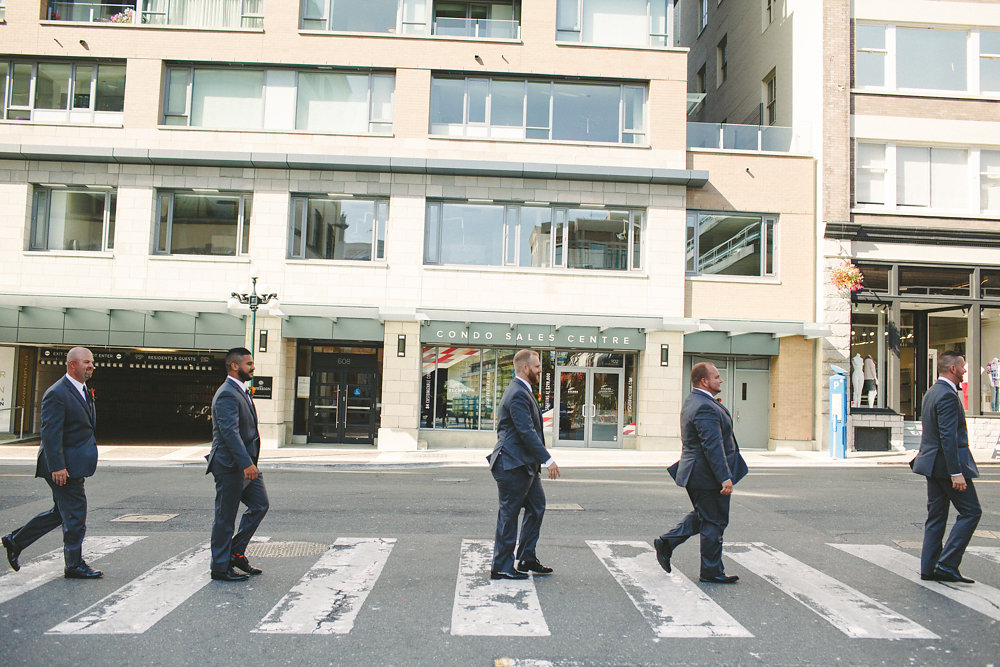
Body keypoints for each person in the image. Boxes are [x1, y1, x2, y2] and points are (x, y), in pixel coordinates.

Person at [2, 347, 102, 579]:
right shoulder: (57, 393)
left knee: (61, 513)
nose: (91, 366)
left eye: (91, 362)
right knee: (75, 514)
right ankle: (73, 565)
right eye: (86, 362)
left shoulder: (82, 390)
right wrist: (58, 466)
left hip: (73, 463)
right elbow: (50, 432)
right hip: (61, 467)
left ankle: (15, 541)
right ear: (72, 365)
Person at [655, 362, 748, 584]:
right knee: (714, 521)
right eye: (716, 377)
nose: (721, 380)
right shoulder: (704, 406)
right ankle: (711, 571)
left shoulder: (695, 400)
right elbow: (712, 446)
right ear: (704, 381)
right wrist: (724, 477)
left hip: (697, 472)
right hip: (706, 475)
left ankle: (667, 542)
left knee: (705, 515)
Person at [487, 349, 561, 580]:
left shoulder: (523, 390)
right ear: (525, 368)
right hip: (512, 464)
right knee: (509, 515)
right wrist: (547, 459)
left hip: (524, 464)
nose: (540, 370)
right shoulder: (518, 393)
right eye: (537, 366)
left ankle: (527, 557)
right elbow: (526, 432)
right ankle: (501, 566)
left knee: (537, 506)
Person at [910, 350, 981, 584]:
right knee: (971, 511)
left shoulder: (932, 392)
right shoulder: (948, 395)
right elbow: (947, 437)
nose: (964, 370)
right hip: (946, 467)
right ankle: (947, 564)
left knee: (937, 516)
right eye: (962, 366)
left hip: (932, 465)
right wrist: (956, 472)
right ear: (953, 369)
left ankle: (929, 567)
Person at [206, 347, 269, 582]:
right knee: (225, 517)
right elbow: (229, 433)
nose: (253, 367)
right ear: (234, 366)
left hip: (246, 464)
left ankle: (235, 552)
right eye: (248, 364)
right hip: (231, 465)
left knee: (260, 505)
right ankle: (220, 568)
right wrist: (245, 464)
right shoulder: (226, 394)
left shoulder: (240, 390)